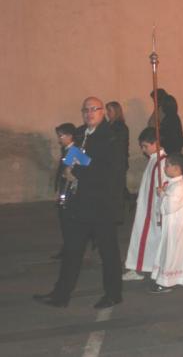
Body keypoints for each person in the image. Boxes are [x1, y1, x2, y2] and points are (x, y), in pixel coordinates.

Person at [34, 97, 124, 308]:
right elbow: (72, 155)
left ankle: (113, 294)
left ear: (102, 112)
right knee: (72, 250)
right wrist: (66, 169)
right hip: (79, 204)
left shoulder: (111, 136)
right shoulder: (81, 132)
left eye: (94, 109)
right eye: (86, 110)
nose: (89, 113)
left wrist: (77, 174)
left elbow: (108, 170)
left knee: (108, 252)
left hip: (101, 205)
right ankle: (61, 294)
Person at [150, 153, 183, 292]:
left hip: (176, 227)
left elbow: (169, 206)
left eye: (167, 166)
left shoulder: (178, 186)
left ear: (177, 168)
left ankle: (167, 282)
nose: (164, 168)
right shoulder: (174, 183)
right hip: (175, 225)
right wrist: (163, 192)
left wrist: (162, 194)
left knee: (172, 251)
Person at [122, 128, 165, 281]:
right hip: (146, 209)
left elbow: (163, 188)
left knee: (149, 240)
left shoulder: (162, 162)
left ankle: (144, 269)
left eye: (145, 146)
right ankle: (140, 268)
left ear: (156, 143)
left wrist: (158, 211)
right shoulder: (154, 159)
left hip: (153, 211)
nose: (143, 150)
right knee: (142, 239)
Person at [52, 122, 78, 259]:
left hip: (70, 194)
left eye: (60, 136)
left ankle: (70, 249)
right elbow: (61, 172)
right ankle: (67, 247)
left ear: (70, 136)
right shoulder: (67, 150)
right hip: (64, 192)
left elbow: (86, 168)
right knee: (64, 222)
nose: (59, 139)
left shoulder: (74, 151)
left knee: (68, 222)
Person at [106, 101, 129, 224]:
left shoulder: (120, 127)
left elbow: (117, 145)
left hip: (118, 163)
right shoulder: (109, 125)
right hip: (110, 162)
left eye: (110, 111)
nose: (107, 113)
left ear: (116, 112)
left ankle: (118, 217)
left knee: (118, 190)